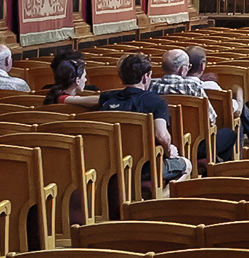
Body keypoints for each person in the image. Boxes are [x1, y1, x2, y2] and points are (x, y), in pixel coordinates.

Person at [95, 53, 189, 184]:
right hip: (145, 168)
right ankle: (164, 199)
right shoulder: (156, 101)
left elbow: (87, 100)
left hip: (111, 166)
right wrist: (169, 151)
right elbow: (161, 136)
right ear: (146, 77)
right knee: (186, 164)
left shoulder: (109, 98)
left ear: (121, 76)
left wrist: (64, 98)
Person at [151, 48, 239, 157]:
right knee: (229, 134)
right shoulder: (191, 87)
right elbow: (211, 118)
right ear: (182, 69)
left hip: (164, 143)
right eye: (188, 67)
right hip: (195, 144)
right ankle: (211, 166)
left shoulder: (151, 86)